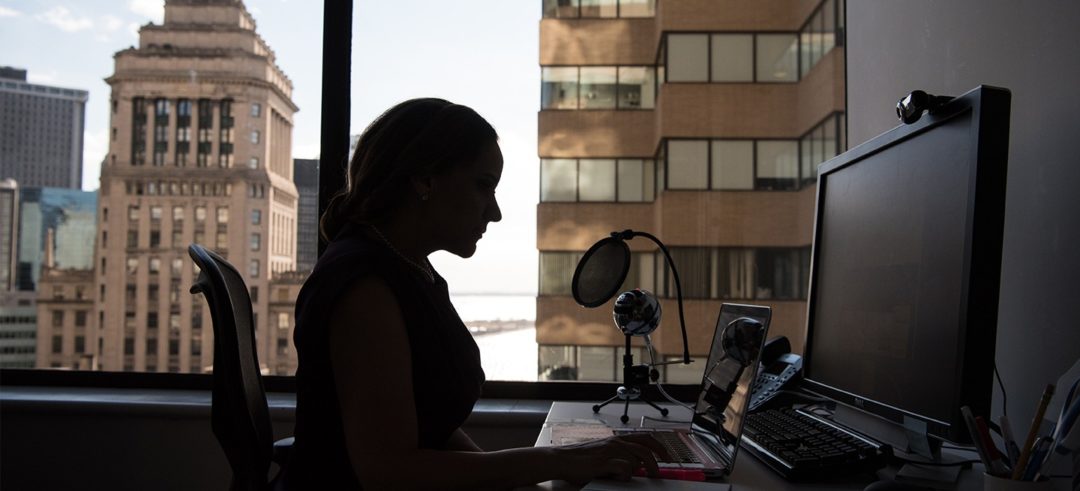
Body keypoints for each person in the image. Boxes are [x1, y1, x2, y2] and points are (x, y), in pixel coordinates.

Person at [282, 98, 669, 490]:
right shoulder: (365, 287)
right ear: (424, 180)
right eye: (484, 185)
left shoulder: (411, 272)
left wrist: (527, 480)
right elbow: (388, 470)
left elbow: (432, 429)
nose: (495, 211)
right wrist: (553, 461)